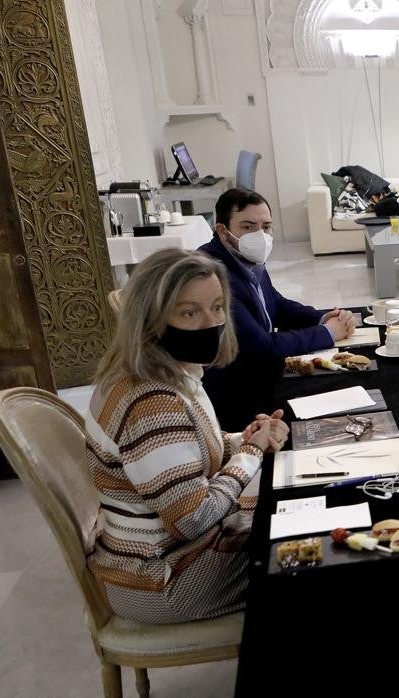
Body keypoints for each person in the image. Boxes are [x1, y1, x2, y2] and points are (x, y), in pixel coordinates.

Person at [85, 249, 289, 624]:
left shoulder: (156, 372)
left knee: (295, 512)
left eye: (217, 307)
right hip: (164, 578)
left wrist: (239, 439)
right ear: (151, 319)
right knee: (309, 559)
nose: (210, 322)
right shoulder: (151, 400)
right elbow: (193, 519)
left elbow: (180, 454)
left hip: (163, 557)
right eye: (189, 312)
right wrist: (249, 452)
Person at [199, 189, 356, 429]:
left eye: (267, 226)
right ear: (222, 231)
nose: (260, 235)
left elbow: (276, 304)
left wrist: (324, 317)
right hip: (237, 399)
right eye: (248, 227)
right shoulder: (214, 277)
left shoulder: (243, 257)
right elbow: (263, 348)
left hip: (262, 377)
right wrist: (328, 333)